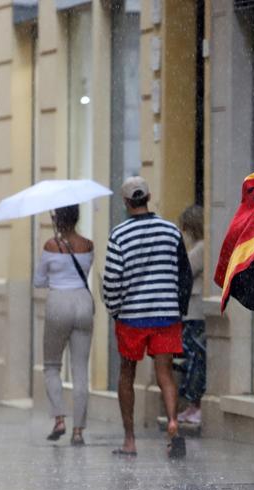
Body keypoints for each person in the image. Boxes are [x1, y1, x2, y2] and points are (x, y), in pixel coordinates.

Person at [102, 176, 192, 458]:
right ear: (149, 197)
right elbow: (184, 274)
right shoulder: (171, 231)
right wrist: (179, 307)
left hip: (132, 316)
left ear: (126, 202)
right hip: (166, 314)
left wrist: (115, 308)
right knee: (165, 373)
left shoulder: (119, 235)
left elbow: (112, 280)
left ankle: (129, 440)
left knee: (126, 373)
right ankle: (174, 423)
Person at [32, 204, 94, 446]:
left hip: (59, 302)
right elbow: (85, 270)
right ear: (77, 217)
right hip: (83, 302)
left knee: (51, 366)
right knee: (80, 370)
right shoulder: (88, 245)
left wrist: (53, 273)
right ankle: (78, 431)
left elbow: (39, 281)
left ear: (57, 218)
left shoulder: (50, 246)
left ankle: (59, 418)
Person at [176, 205, 205, 424]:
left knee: (196, 358)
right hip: (192, 310)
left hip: (195, 311)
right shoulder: (198, 248)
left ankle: (196, 403)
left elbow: (183, 272)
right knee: (193, 357)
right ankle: (192, 404)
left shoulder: (200, 249)